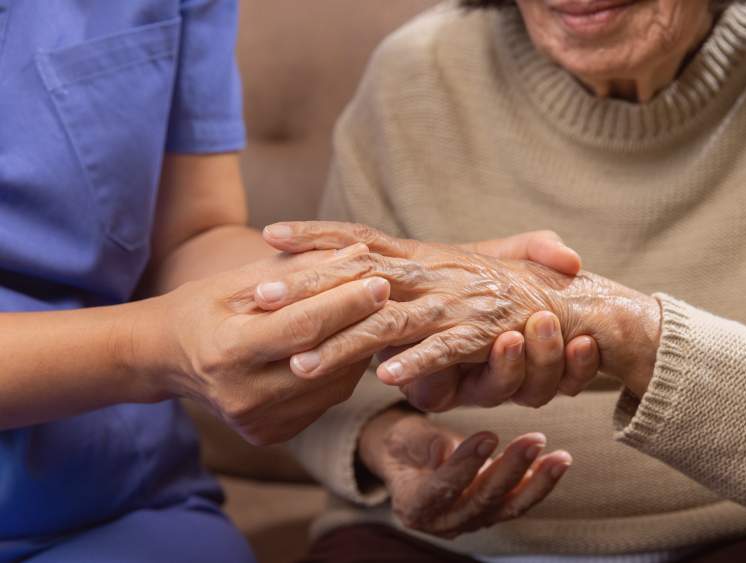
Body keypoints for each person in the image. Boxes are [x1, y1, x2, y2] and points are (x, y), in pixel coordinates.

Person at [0, 1, 584, 560]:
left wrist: (399, 275)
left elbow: (189, 237)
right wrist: (149, 348)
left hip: (110, 494)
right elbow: (159, 337)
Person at [253, 0, 746, 561]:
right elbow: (320, 369)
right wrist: (387, 446)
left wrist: (622, 326)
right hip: (426, 544)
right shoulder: (413, 72)